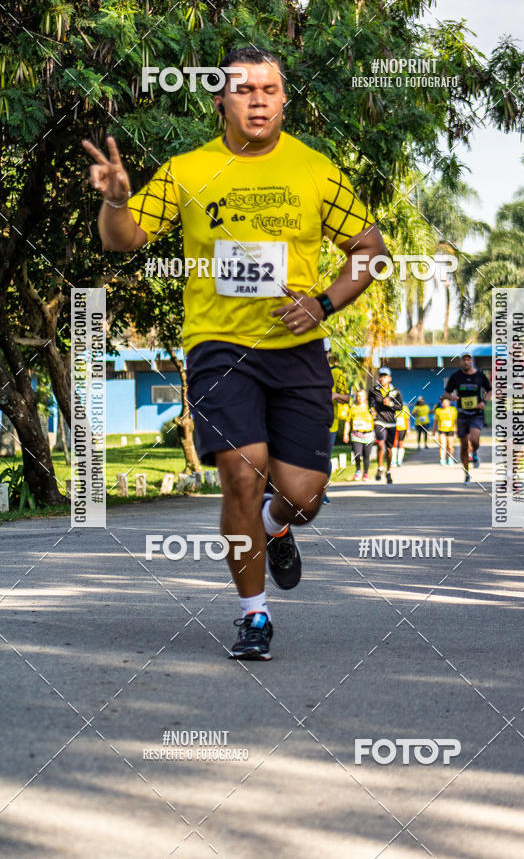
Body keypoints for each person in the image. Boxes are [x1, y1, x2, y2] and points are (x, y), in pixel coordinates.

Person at [83, 46, 385, 661]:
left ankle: (275, 529)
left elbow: (370, 249)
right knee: (241, 472)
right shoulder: (189, 170)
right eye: (244, 90)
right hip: (219, 347)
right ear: (220, 99)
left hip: (296, 346)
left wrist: (324, 303)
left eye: (269, 90)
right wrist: (115, 201)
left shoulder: (314, 171)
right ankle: (254, 616)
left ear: (282, 99)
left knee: (301, 495)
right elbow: (125, 239)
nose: (257, 100)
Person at [442, 353, 492, 484]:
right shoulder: (456, 376)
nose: (466, 362)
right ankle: (467, 473)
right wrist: (450, 397)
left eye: (468, 359)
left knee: (474, 439)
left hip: (476, 413)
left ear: (472, 362)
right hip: (462, 414)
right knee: (464, 445)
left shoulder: (480, 376)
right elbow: (446, 393)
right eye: (463, 360)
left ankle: (474, 452)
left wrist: (484, 402)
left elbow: (490, 390)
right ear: (460, 362)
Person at [323, 338, 350, 501]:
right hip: (307, 422)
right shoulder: (305, 371)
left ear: (329, 353)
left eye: (325, 352)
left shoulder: (336, 372)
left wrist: (335, 395)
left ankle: (323, 492)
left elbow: (346, 397)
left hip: (330, 423)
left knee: (324, 457)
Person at [368, 367, 403, 484]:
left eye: (385, 376)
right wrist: (371, 410)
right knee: (381, 444)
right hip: (379, 420)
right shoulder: (374, 390)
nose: (382, 378)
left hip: (391, 422)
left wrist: (391, 403)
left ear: (390, 378)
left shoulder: (396, 391)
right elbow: (370, 403)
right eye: (381, 376)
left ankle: (388, 471)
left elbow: (400, 407)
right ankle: (379, 468)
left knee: (389, 449)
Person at [343, 390, 375, 480]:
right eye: (358, 396)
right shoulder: (352, 408)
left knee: (366, 456)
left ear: (365, 397)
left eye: (361, 396)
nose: (359, 398)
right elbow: (348, 422)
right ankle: (358, 471)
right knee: (357, 454)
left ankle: (366, 473)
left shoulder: (370, 408)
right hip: (356, 435)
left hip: (368, 435)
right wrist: (345, 434)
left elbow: (375, 420)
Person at [432, 397, 457, 465]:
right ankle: (442, 459)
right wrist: (433, 431)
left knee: (450, 446)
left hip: (450, 430)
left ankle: (450, 458)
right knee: (442, 445)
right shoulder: (438, 410)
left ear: (449, 403)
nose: (444, 404)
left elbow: (455, 421)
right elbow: (435, 421)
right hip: (441, 430)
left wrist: (455, 429)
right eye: (443, 402)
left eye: (446, 402)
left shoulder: (453, 410)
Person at [392, 397, 411, 467]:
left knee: (400, 443)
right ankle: (393, 461)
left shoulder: (405, 408)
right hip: (394, 428)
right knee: (394, 444)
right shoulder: (392, 408)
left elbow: (407, 420)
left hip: (402, 428)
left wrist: (408, 430)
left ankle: (399, 460)